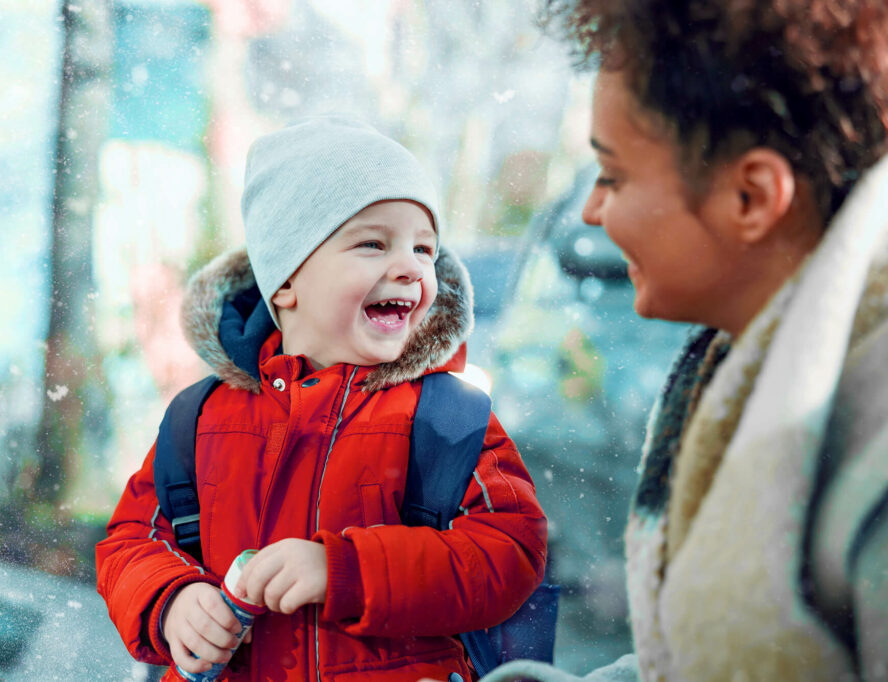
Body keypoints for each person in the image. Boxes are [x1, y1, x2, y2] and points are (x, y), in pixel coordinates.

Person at [477, 1, 888, 681]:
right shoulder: (747, 365)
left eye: (613, 176)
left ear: (751, 198)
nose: (590, 211)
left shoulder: (872, 461)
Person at [96, 115, 547, 682]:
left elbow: (510, 549)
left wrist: (349, 572)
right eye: (372, 244)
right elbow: (131, 541)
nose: (410, 267)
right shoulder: (199, 419)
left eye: (425, 249)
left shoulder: (447, 420)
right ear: (285, 281)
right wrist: (171, 600)